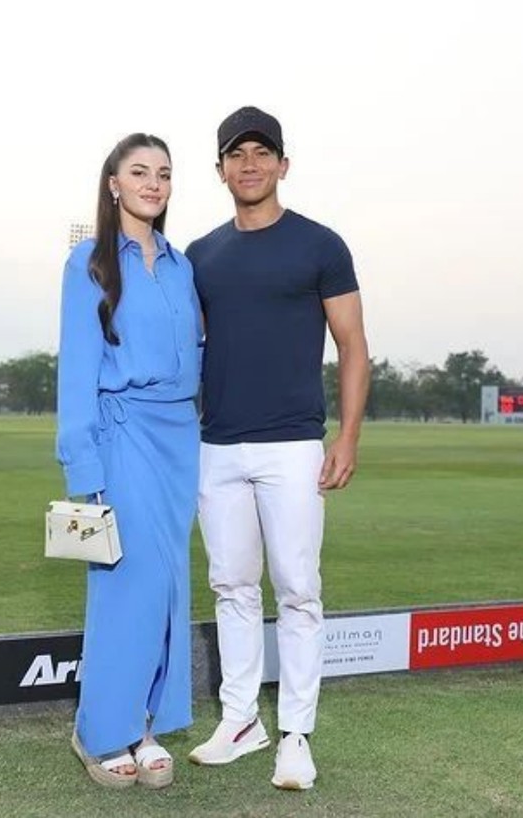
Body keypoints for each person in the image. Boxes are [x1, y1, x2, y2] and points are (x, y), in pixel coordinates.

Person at [185, 107, 370, 790]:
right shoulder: (200, 254)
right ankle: (240, 718)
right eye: (237, 155)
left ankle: (295, 732)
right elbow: (191, 348)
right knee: (230, 584)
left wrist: (346, 435)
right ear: (221, 170)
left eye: (262, 153)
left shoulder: (320, 245)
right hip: (217, 446)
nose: (250, 165)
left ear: (283, 165)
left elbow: (352, 345)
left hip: (294, 444)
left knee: (297, 590)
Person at [56, 133, 202, 789]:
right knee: (125, 583)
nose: (153, 182)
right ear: (113, 182)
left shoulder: (180, 265)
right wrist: (83, 469)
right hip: (121, 435)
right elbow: (78, 372)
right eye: (139, 171)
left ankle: (145, 722)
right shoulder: (86, 262)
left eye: (164, 173)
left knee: (168, 584)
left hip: (179, 440)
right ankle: (100, 729)